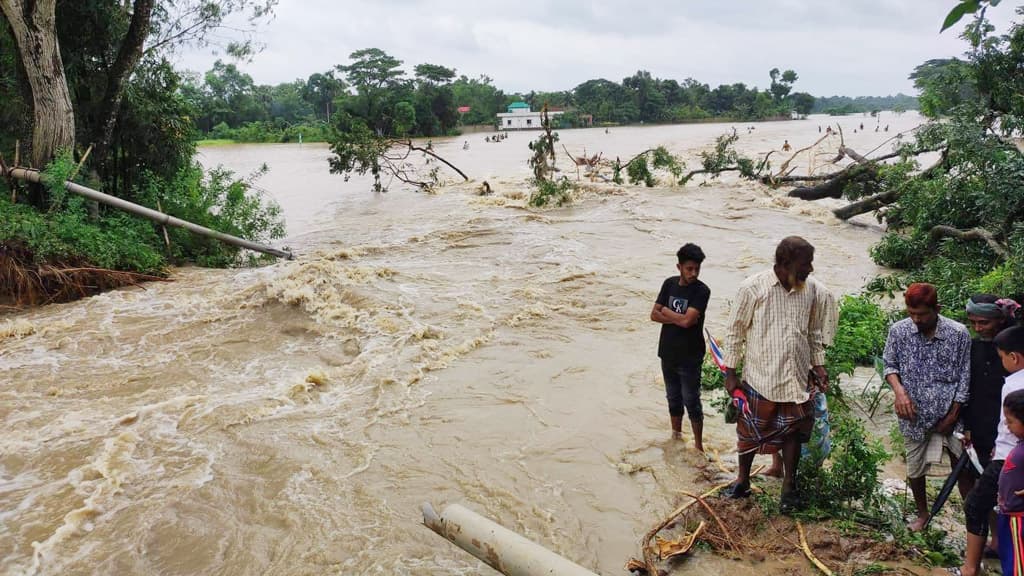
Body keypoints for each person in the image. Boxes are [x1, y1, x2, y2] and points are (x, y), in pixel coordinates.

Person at [720, 236, 836, 513]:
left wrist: (818, 365)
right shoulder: (753, 288)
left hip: (796, 377)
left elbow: (813, 333)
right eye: (806, 263)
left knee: (794, 433)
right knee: (748, 431)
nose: (810, 268)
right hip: (761, 377)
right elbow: (735, 333)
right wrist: (730, 373)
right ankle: (742, 481)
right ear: (786, 263)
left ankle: (789, 489)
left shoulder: (808, 291)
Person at [883, 282, 971, 532]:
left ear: (937, 309)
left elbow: (965, 377)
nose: (916, 320)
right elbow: (889, 366)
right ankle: (923, 514)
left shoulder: (958, 333)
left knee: (963, 469)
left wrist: (953, 414)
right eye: (911, 314)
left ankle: (973, 521)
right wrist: (900, 393)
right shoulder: (899, 331)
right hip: (913, 416)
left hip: (952, 416)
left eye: (921, 315)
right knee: (914, 467)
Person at [958, 313, 1024, 576]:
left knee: (975, 504)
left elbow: (1008, 425)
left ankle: (969, 568)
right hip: (1008, 453)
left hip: (1009, 459)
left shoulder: (1014, 384)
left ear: (1014, 357)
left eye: (1001, 358)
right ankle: (998, 548)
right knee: (1003, 506)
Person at [651, 244, 711, 450]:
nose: (693, 273)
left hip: (690, 356)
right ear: (679, 267)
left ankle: (698, 446)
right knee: (673, 399)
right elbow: (653, 314)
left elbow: (687, 322)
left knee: (692, 401)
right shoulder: (669, 284)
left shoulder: (702, 291)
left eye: (697, 269)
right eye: (689, 269)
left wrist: (666, 312)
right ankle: (676, 437)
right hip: (667, 353)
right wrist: (678, 317)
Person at [998, 344, 1024, 576]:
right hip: (1008, 515)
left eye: (1011, 421)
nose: (1007, 425)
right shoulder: (1018, 446)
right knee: (1010, 559)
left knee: (1018, 564)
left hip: (1019, 519)